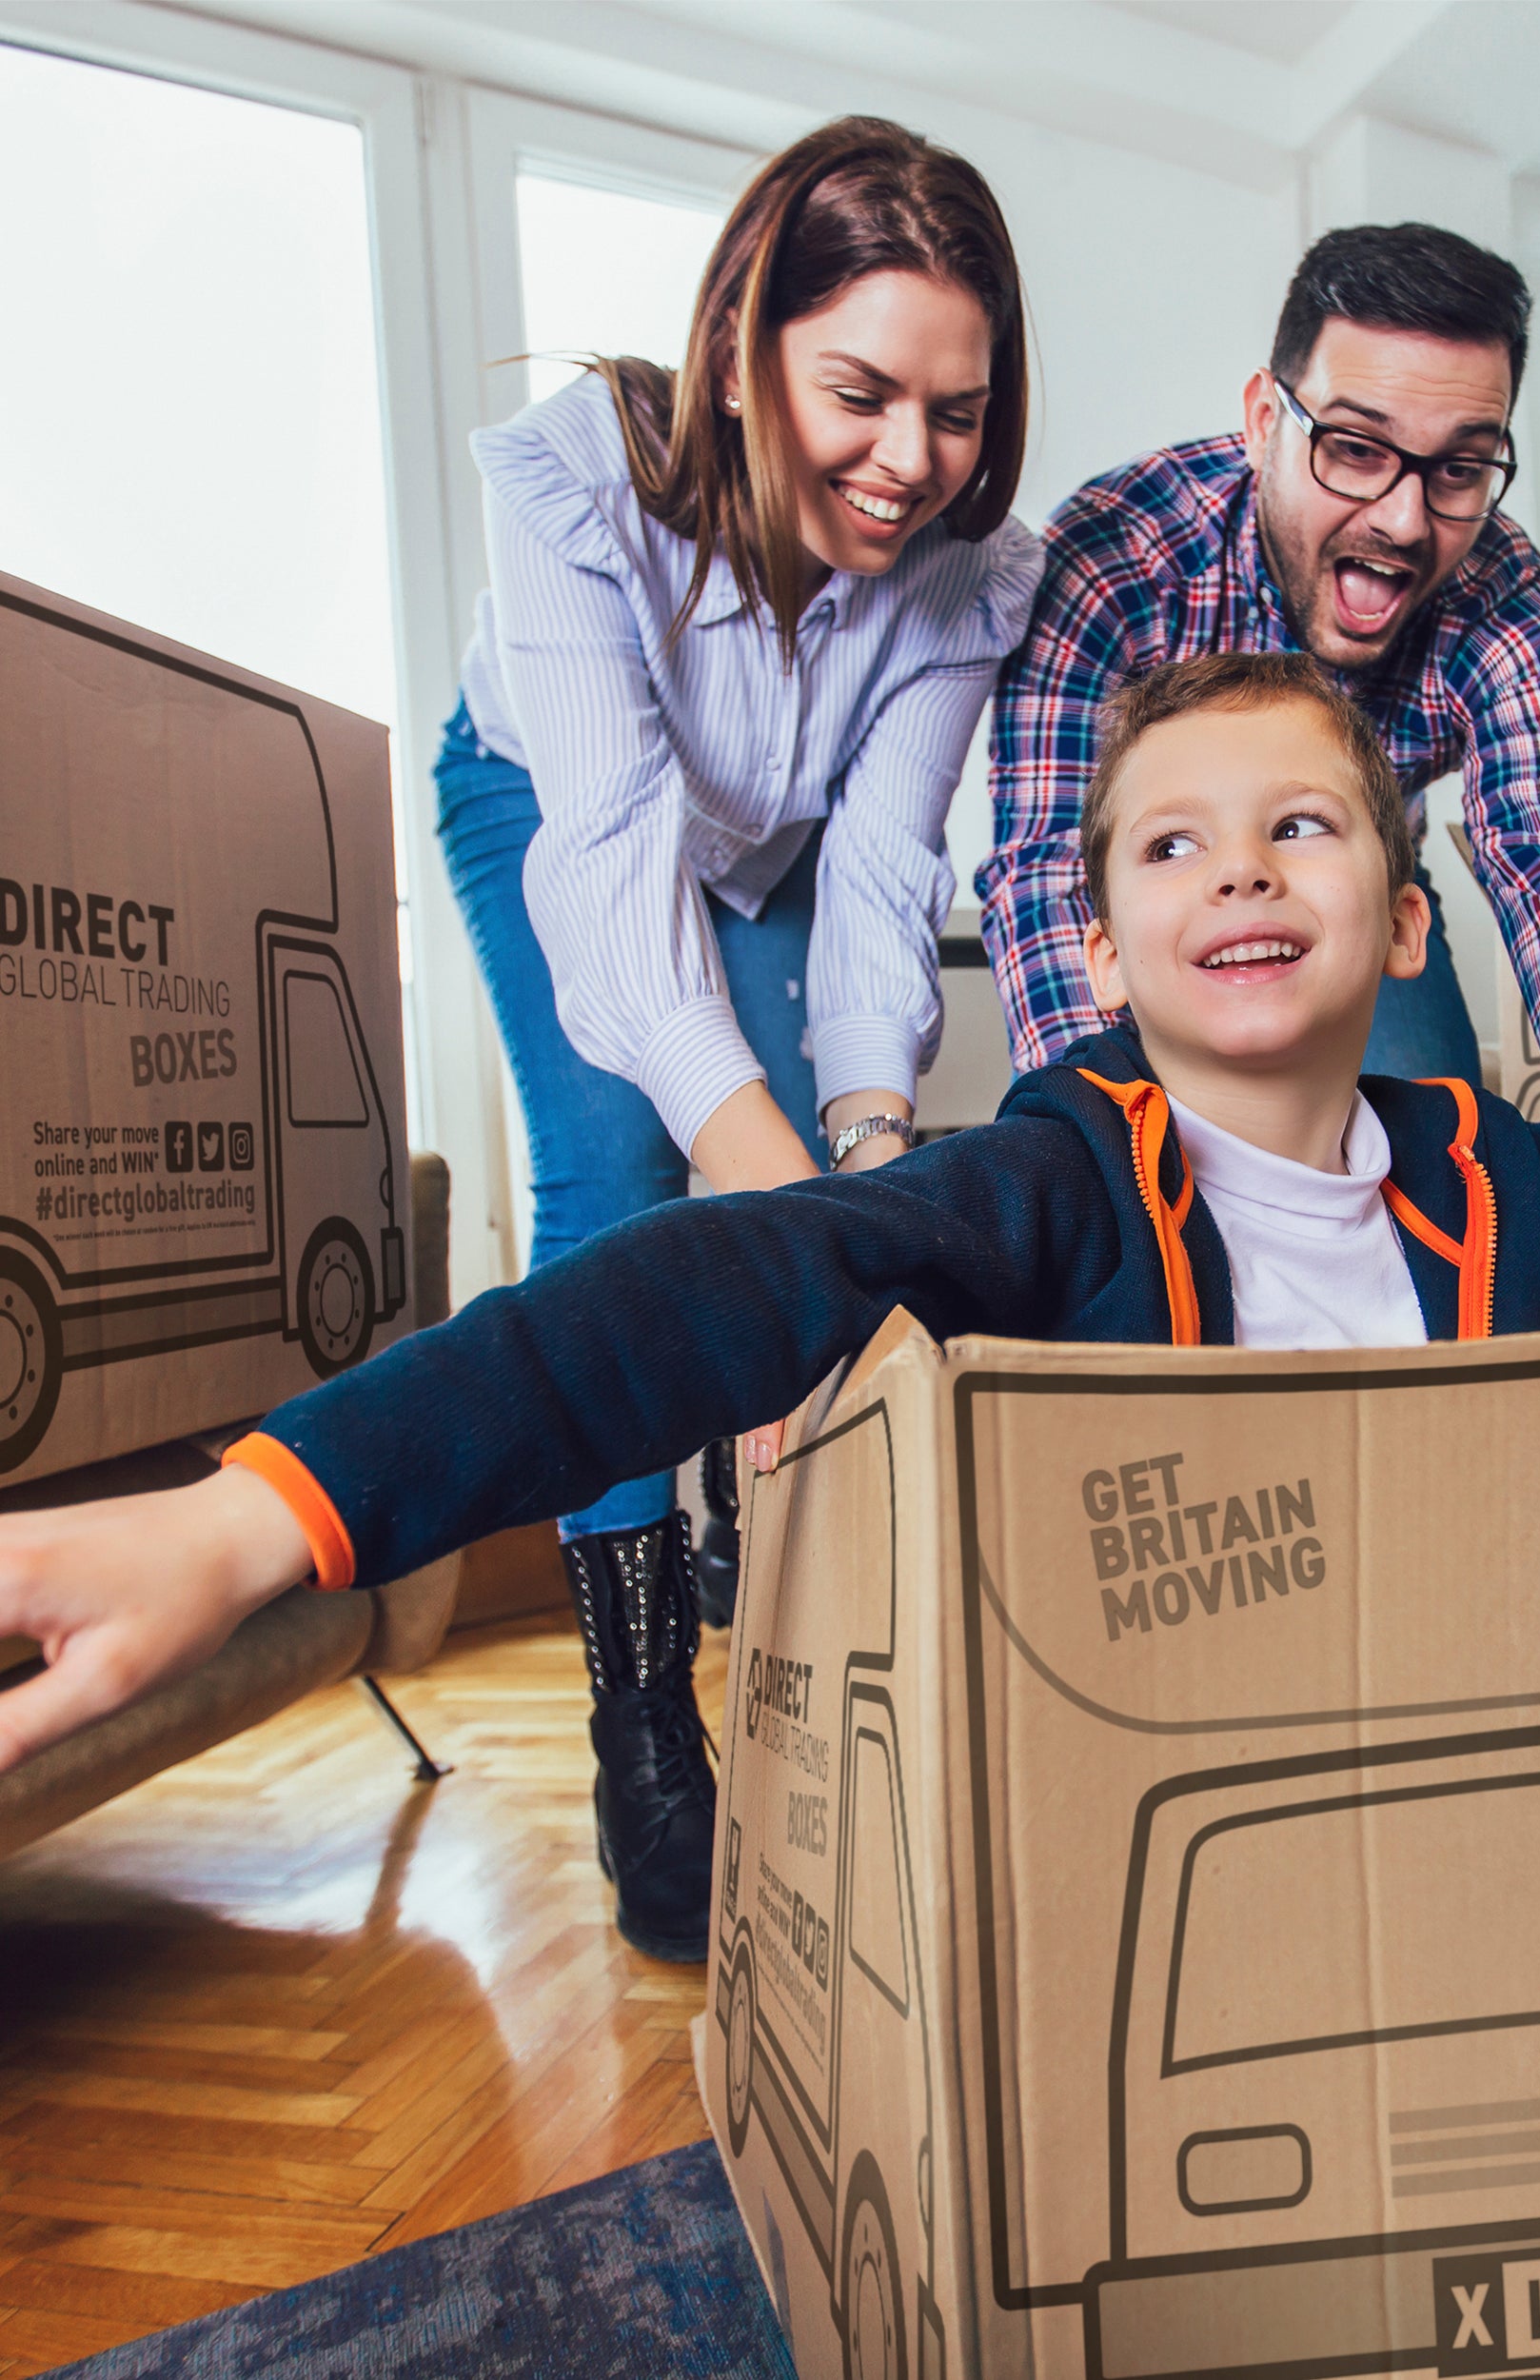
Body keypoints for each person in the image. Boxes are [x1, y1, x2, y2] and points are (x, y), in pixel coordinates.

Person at [1, 655, 1540, 1787]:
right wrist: (258, 1520)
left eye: (1305, 830)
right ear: (1109, 955)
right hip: (1160, 1764)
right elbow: (707, 1288)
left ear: (1407, 929)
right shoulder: (1041, 1189)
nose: (1241, 864)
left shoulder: (1508, 1191)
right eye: (1175, 844)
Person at [431, 115, 1041, 1960]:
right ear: (744, 343)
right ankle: (636, 1709)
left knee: (814, 1170)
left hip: (773, 846)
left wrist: (861, 1158)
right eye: (859, 392)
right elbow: (618, 899)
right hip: (549, 799)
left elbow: (876, 882)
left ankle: (742, 1517)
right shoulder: (573, 488)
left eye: (954, 409)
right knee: (629, 1170)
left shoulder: (965, 572)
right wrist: (764, 1177)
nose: (907, 460)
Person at [981, 222, 1540, 1272]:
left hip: (1359, 878)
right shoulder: (1111, 556)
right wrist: (1095, 1160)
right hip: (1163, 910)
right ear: (1266, 416)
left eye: (1457, 469)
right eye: (1354, 450)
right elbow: (1048, 871)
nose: (1403, 520)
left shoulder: (1508, 598)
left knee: (1430, 1217)